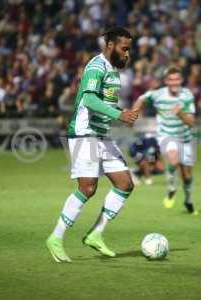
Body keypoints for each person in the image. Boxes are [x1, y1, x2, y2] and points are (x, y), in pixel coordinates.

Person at [46, 27, 138, 262]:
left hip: (100, 134)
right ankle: (55, 238)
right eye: (124, 48)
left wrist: (120, 113)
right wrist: (119, 115)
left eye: (129, 49)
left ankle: (95, 234)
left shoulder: (112, 70)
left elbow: (102, 102)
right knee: (87, 188)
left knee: (125, 183)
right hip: (84, 133)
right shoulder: (96, 67)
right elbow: (88, 98)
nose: (127, 54)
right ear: (110, 46)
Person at [133, 66, 197, 214]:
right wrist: (133, 113)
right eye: (171, 80)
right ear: (166, 81)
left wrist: (179, 112)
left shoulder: (187, 95)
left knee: (187, 175)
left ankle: (188, 200)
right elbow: (142, 98)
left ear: (181, 80)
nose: (174, 82)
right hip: (166, 135)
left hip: (185, 138)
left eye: (177, 79)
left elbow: (191, 122)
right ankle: (171, 188)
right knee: (173, 160)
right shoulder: (158, 94)